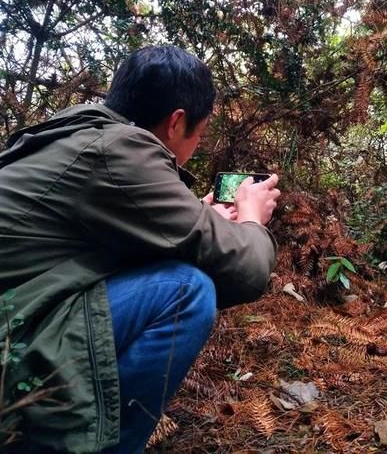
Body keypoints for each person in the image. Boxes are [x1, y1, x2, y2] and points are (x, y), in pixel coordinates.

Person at [0, 45, 280, 453]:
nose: (199, 143)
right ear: (176, 122)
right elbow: (246, 269)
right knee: (186, 291)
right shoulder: (119, 153)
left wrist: (197, 216)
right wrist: (253, 217)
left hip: (19, 312)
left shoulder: (79, 133)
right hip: (12, 342)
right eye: (201, 132)